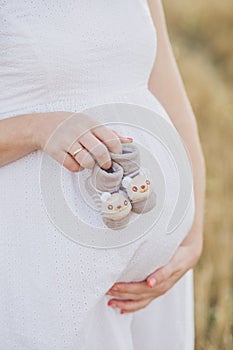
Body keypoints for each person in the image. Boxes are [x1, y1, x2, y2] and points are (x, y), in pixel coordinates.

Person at [0, 1, 206, 349]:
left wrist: (192, 232)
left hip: (153, 293)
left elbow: (173, 102)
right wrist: (35, 128)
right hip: (39, 277)